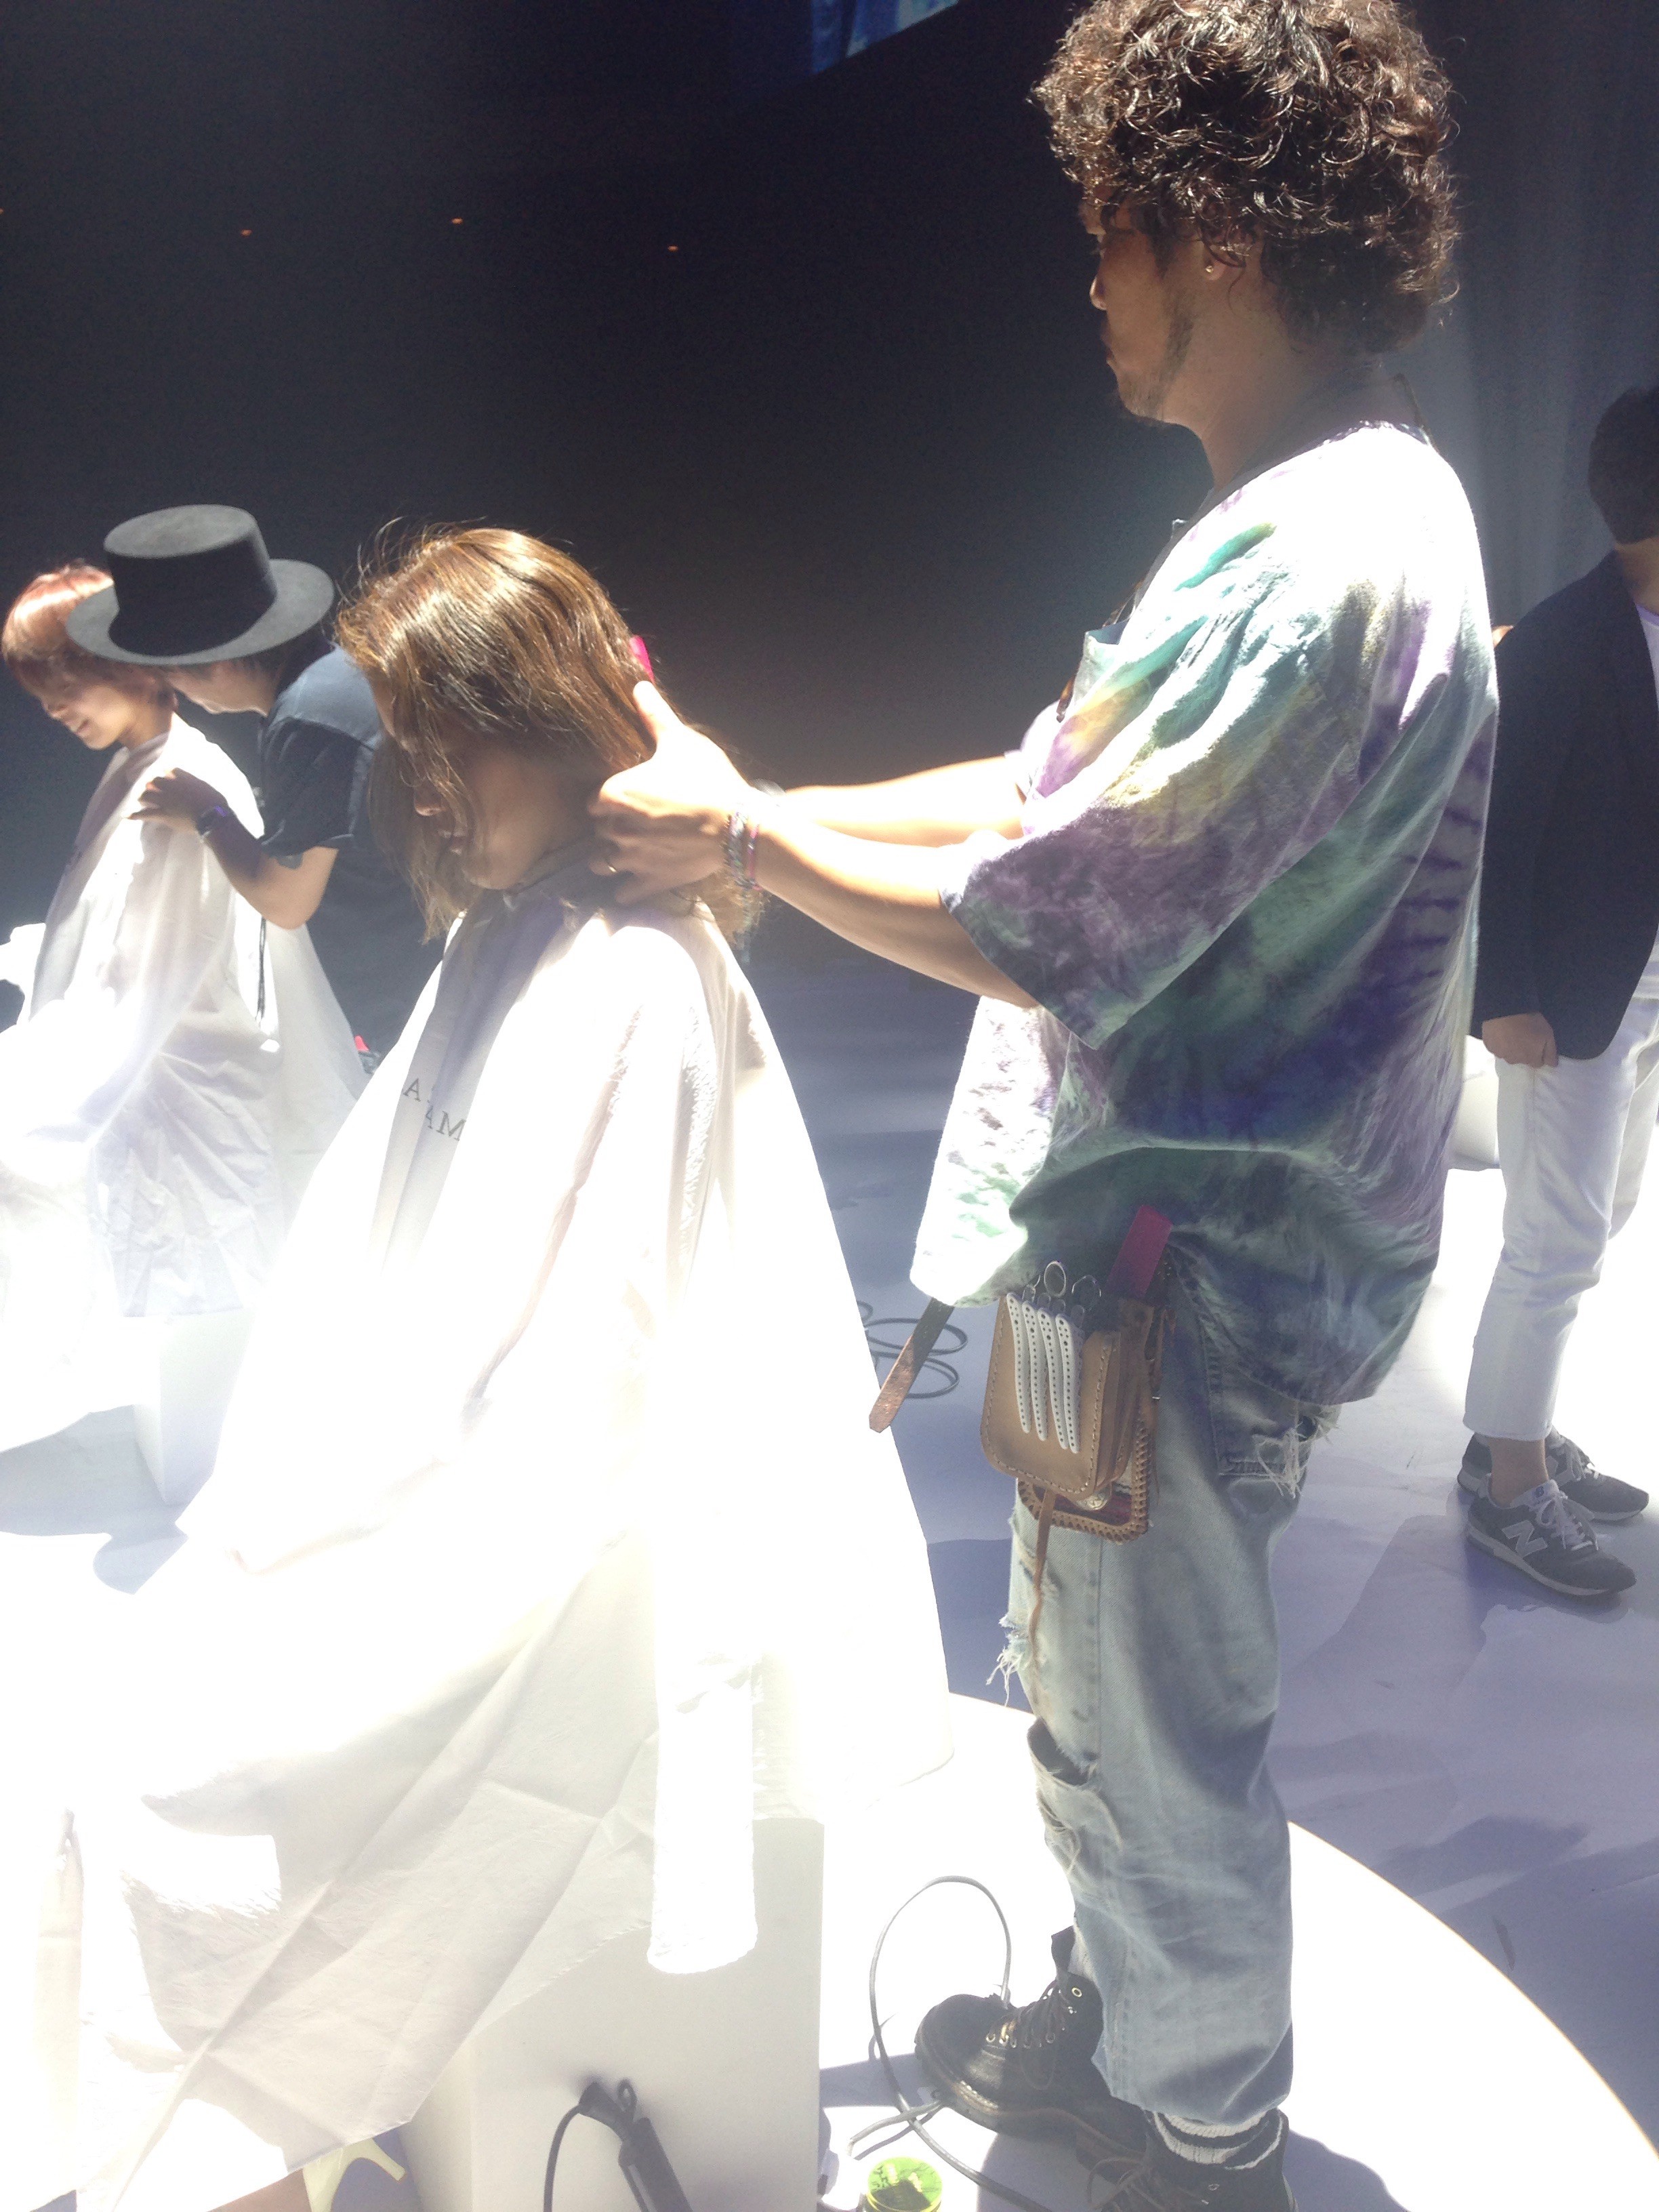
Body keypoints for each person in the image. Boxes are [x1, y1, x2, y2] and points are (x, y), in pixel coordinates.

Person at [581, 3, 1494, 2204]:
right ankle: (1129, 2020)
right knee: (1092, 1685)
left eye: (1110, 237)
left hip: (1193, 1276)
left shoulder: (1322, 558)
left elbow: (1046, 912)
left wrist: (738, 842)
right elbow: (1040, 793)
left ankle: (1201, 2128)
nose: (1090, 286)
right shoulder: (1310, 516)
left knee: (1153, 1735)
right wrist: (763, 813)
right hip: (1150, 1261)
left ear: (1218, 237)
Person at [9, 529, 948, 2212]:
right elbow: (372, 1278)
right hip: (409, 1509)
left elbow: (572, 1409)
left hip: (524, 1578)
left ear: (556, 730)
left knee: (172, 1818)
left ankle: (233, 2159)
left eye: (454, 747)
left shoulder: (638, 984)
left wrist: (339, 1554)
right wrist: (290, 1517)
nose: (424, 794)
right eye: (412, 752)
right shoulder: (505, 939)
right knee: (126, 1746)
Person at [0, 565, 361, 1469]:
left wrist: (45, 1082)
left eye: (64, 683)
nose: (52, 709)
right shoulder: (147, 770)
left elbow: (163, 974)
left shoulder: (184, 780)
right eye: (40, 693)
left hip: (177, 1076)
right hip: (153, 1062)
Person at [1458, 388, 1659, 1597]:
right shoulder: (1559, 642)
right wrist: (1503, 992)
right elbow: (1503, 831)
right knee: (1556, 1239)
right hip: (1571, 996)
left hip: (1641, 989)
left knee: (1600, 1216)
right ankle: (1509, 1484)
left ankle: (1506, 1430)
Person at [64, 504, 438, 1059]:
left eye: (171, 674)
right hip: (411, 979)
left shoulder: (308, 720)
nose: (178, 693)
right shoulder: (330, 674)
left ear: (214, 664)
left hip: (399, 1009)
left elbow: (286, 901)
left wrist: (208, 814)